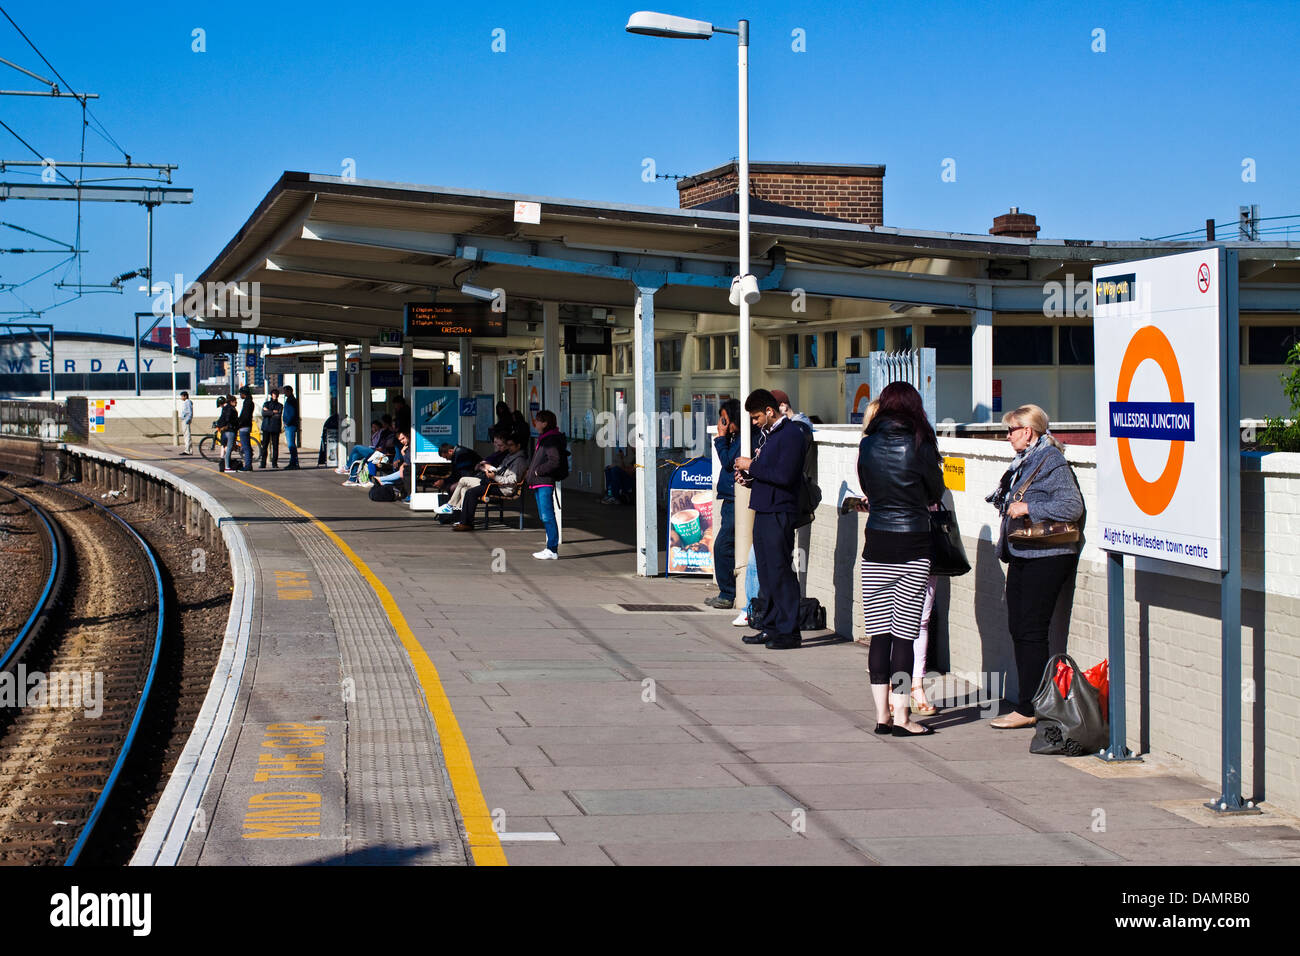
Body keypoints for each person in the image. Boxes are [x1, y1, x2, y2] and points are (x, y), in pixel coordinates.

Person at [986, 403, 1084, 730]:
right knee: (1020, 628)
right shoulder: (1025, 462)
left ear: (1028, 431)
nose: (1007, 436)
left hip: (1047, 557)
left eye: (1011, 430)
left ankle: (1032, 706)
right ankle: (1032, 702)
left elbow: (1071, 505)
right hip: (1023, 553)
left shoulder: (1050, 460)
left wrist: (1029, 506)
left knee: (1031, 630)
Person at [857, 382, 945, 737]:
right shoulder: (920, 442)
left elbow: (867, 487)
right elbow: (935, 490)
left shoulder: (867, 443)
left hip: (876, 543)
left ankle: (882, 717)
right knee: (904, 636)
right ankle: (904, 717)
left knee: (879, 635)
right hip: (912, 544)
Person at [733, 389, 808, 650]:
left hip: (780, 511)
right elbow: (769, 474)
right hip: (764, 507)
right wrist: (750, 479)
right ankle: (772, 626)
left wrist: (751, 466)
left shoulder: (791, 435)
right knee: (765, 571)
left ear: (769, 411)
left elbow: (785, 475)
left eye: (756, 417)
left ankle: (789, 631)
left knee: (780, 570)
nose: (754, 423)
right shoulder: (768, 436)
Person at [705, 399, 741, 609]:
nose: (723, 424)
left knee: (722, 545)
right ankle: (726, 591)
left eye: (726, 420)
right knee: (724, 545)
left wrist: (720, 437)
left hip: (737, 499)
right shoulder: (736, 437)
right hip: (729, 497)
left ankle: (728, 593)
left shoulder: (742, 438)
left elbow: (728, 462)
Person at [451, 435, 528, 530]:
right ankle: (464, 521)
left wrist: (495, 477)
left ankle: (467, 523)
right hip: (496, 483)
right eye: (508, 445)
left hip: (504, 488)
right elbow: (500, 469)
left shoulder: (520, 460)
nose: (509, 447)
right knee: (467, 489)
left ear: (518, 446)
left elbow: (512, 480)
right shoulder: (510, 456)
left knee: (471, 492)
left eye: (511, 445)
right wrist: (491, 470)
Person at [523, 409, 566, 559]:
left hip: (544, 482)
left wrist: (537, 471)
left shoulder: (550, 440)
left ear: (545, 423)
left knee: (547, 516)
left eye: (538, 420)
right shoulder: (545, 438)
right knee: (544, 515)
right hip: (539, 483)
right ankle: (550, 548)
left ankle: (552, 549)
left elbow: (554, 461)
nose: (535, 423)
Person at [438, 432, 509, 513]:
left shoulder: (461, 454)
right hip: (482, 478)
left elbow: (490, 468)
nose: (494, 444)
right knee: (464, 489)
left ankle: (450, 506)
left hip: (488, 481)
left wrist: (483, 466)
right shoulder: (496, 454)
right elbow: (482, 464)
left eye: (498, 444)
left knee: (462, 481)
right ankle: (462, 519)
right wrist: (482, 465)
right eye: (494, 442)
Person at [259, 387, 283, 468]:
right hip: (266, 427)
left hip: (275, 428)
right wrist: (273, 412)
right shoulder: (266, 403)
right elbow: (263, 413)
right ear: (271, 395)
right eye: (273, 394)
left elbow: (278, 416)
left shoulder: (280, 405)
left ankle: (274, 463)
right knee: (265, 446)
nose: (275, 396)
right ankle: (263, 463)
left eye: (276, 395)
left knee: (275, 446)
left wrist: (268, 411)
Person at [214, 395, 238, 473]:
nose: (236, 403)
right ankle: (227, 467)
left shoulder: (225, 409)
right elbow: (230, 419)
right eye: (235, 401)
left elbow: (222, 418)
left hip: (224, 431)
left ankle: (224, 465)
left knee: (225, 447)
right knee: (229, 449)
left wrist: (219, 425)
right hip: (230, 430)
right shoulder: (231, 409)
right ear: (231, 402)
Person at [281, 385, 300, 469]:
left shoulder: (291, 400)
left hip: (290, 425)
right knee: (291, 445)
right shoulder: (290, 399)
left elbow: (292, 413)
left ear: (289, 391)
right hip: (290, 425)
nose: (284, 392)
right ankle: (293, 462)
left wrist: (287, 423)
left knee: (291, 445)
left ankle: (294, 463)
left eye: (285, 391)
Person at [237, 387, 255, 471]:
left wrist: (239, 423)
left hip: (244, 426)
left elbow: (245, 416)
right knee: (246, 446)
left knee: (246, 447)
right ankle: (248, 464)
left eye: (241, 393)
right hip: (247, 426)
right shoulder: (249, 402)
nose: (240, 395)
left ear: (244, 393)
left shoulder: (247, 403)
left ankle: (248, 465)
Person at [179, 391, 194, 455]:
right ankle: (189, 450)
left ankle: (187, 450)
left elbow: (190, 412)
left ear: (185, 396)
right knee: (186, 435)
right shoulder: (186, 402)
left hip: (186, 420)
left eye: (182, 396)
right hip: (185, 420)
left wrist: (188, 419)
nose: (181, 397)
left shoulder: (187, 402)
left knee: (187, 435)